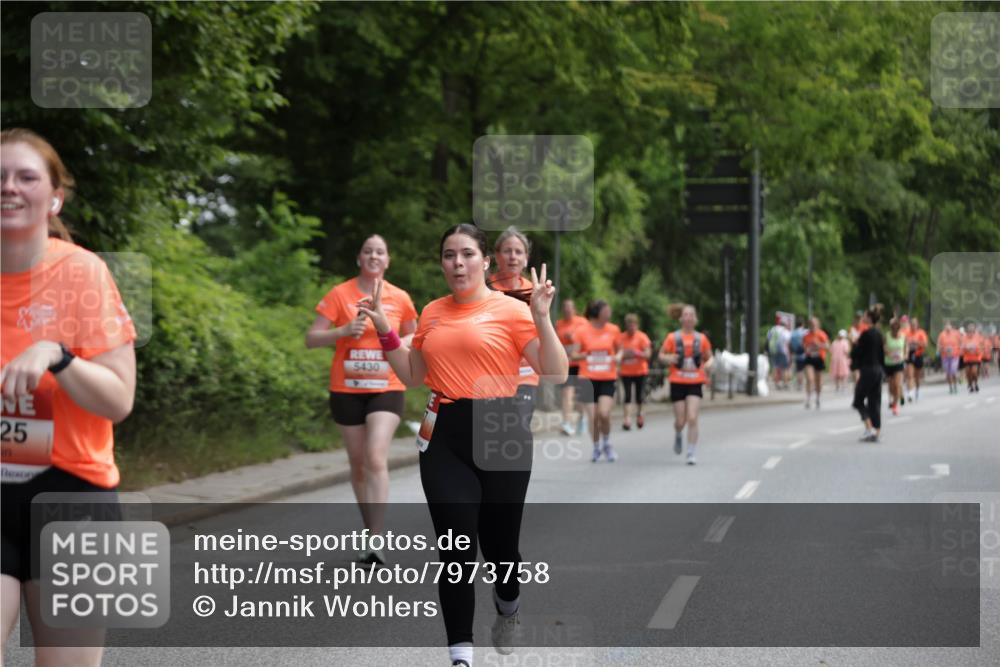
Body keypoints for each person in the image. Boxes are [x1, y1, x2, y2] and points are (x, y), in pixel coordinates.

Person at [356, 223, 567, 666]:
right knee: (455, 549)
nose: (458, 263)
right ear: (442, 263)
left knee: (501, 549)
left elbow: (556, 371)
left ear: (485, 261)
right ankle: (461, 655)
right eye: (449, 255)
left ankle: (508, 605)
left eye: (467, 254)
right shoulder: (432, 312)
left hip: (501, 433)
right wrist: (385, 330)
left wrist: (542, 318)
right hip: (445, 436)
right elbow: (412, 374)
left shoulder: (511, 310)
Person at [2, 128, 138, 666]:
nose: (9, 187)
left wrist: (57, 356)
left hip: (72, 493)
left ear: (55, 198)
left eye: (26, 177)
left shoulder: (83, 272)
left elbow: (118, 400)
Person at [306, 234, 417, 565]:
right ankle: (370, 533)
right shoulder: (340, 294)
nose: (373, 256)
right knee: (357, 464)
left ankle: (376, 539)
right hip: (347, 389)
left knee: (375, 456)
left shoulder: (400, 297)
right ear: (359, 258)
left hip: (387, 386)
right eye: (368, 251)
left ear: (387, 260)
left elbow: (416, 334)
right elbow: (311, 338)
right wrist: (341, 332)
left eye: (380, 251)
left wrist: (393, 338)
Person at [488, 227, 539, 406]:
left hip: (525, 375)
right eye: (507, 251)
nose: (513, 257)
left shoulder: (535, 291)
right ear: (497, 256)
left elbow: (542, 330)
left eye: (518, 252)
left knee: (518, 421)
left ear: (526, 259)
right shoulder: (484, 289)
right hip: (491, 374)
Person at [658, 304, 713, 465]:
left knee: (692, 417)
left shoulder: (701, 339)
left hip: (695, 381)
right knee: (680, 421)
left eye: (691, 315)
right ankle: (678, 433)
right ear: (681, 318)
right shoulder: (672, 337)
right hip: (678, 381)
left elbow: (710, 357)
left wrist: (709, 364)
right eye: (686, 315)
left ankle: (691, 452)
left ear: (695, 319)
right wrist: (669, 358)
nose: (688, 318)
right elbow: (661, 355)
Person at [570, 300, 622, 462]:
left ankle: (607, 443)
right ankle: (596, 447)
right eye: (606, 310)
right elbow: (574, 355)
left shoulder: (613, 329)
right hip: (587, 378)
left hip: (607, 377)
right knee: (593, 417)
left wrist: (618, 357)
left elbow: (620, 350)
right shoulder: (581, 331)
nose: (609, 313)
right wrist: (586, 355)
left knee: (604, 414)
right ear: (597, 312)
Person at [851, 304, 884, 442]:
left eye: (865, 316)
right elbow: (882, 354)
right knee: (874, 401)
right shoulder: (879, 334)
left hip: (868, 370)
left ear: (869, 318)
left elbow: (856, 353)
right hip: (878, 370)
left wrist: (854, 343)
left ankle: (869, 428)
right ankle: (876, 431)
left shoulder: (865, 334)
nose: (863, 318)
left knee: (858, 401)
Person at [555, 299, 588, 436]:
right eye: (565, 307)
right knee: (567, 393)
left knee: (579, 395)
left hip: (580, 364)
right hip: (566, 364)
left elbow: (587, 341)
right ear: (563, 310)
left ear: (574, 309)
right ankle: (566, 423)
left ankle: (582, 418)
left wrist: (573, 338)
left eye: (570, 307)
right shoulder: (559, 324)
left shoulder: (582, 322)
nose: (567, 309)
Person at [618, 313, 652, 430]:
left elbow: (648, 354)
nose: (631, 328)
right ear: (626, 326)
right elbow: (617, 353)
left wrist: (637, 353)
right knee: (627, 395)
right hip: (626, 371)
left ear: (637, 325)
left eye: (633, 325)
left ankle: (640, 415)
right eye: (629, 326)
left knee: (639, 396)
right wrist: (625, 355)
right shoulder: (621, 337)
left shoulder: (642, 337)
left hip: (640, 371)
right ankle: (627, 419)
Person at [802, 317, 830, 409]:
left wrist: (818, 345)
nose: (812, 326)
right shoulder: (806, 335)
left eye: (814, 324)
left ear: (818, 325)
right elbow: (804, 347)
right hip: (809, 358)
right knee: (810, 379)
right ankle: (808, 399)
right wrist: (808, 348)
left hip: (819, 358)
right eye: (811, 324)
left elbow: (827, 346)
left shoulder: (821, 334)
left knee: (818, 380)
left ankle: (818, 397)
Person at [884, 317, 907, 415]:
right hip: (889, 363)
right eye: (893, 328)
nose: (895, 330)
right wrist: (889, 354)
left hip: (899, 363)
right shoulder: (887, 336)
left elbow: (906, 348)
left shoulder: (903, 336)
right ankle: (894, 398)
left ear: (899, 328)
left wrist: (905, 355)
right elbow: (884, 348)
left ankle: (895, 405)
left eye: (897, 328)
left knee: (897, 385)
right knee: (891, 386)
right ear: (891, 328)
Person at [904, 317, 929, 402]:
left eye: (914, 324)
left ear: (917, 325)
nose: (913, 326)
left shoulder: (921, 333)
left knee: (917, 377)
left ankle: (917, 390)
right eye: (911, 324)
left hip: (918, 355)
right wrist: (907, 344)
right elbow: (903, 343)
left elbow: (925, 345)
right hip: (910, 355)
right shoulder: (907, 333)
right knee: (910, 375)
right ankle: (910, 393)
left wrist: (916, 342)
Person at [766, 315, 791, 390]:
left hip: (773, 350)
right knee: (785, 368)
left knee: (775, 367)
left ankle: (776, 383)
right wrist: (789, 353)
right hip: (783, 351)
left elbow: (768, 339)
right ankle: (785, 383)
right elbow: (787, 342)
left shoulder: (772, 329)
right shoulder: (785, 331)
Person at [937, 320, 962, 394]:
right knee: (948, 373)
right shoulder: (942, 334)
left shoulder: (956, 333)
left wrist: (960, 349)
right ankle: (950, 387)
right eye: (946, 325)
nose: (947, 327)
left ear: (951, 326)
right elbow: (939, 344)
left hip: (955, 355)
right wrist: (940, 349)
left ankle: (955, 386)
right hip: (945, 356)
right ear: (944, 327)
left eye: (949, 325)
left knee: (953, 371)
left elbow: (961, 342)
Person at [961, 323, 983, 393]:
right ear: (967, 331)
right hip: (967, 358)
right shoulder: (964, 338)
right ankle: (970, 384)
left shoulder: (978, 337)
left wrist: (976, 349)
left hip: (976, 358)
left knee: (974, 372)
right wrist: (965, 348)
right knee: (968, 373)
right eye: (969, 331)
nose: (970, 333)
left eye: (972, 331)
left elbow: (981, 346)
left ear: (974, 331)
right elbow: (962, 347)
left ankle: (976, 383)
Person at [789, 317, 808, 391]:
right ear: (802, 324)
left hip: (796, 354)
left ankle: (800, 385)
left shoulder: (793, 333)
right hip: (805, 354)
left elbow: (790, 344)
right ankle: (807, 383)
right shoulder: (805, 332)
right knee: (807, 369)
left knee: (799, 370)